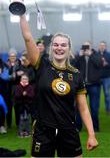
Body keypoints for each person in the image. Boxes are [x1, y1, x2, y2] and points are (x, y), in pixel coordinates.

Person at [19, 14, 98, 157]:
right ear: (51, 48)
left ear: (69, 48)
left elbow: (83, 108)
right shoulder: (41, 64)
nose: (59, 48)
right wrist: (21, 13)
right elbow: (28, 37)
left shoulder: (76, 74)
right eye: (55, 44)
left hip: (68, 130)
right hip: (43, 129)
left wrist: (91, 135)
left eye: (63, 45)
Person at [75, 42, 103, 132]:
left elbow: (99, 64)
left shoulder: (96, 55)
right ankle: (78, 127)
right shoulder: (80, 57)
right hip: (82, 86)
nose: (85, 47)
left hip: (94, 85)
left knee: (94, 107)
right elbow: (74, 67)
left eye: (87, 46)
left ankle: (95, 127)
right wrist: (79, 56)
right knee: (79, 107)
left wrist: (91, 55)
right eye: (84, 46)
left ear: (91, 47)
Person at [14, 73, 35, 138]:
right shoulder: (18, 87)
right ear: (21, 79)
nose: (24, 80)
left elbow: (32, 95)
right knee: (21, 120)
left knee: (27, 120)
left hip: (28, 106)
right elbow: (16, 95)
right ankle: (21, 132)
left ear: (28, 80)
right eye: (23, 79)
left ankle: (27, 132)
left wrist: (26, 94)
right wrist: (22, 94)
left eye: (25, 79)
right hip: (20, 107)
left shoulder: (30, 87)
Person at [98, 41, 110, 114]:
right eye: (101, 45)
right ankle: (96, 110)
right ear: (99, 46)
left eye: (103, 45)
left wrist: (107, 64)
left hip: (106, 78)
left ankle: (108, 109)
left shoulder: (108, 55)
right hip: (97, 78)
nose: (102, 47)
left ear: (105, 47)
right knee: (97, 95)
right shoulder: (96, 54)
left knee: (106, 94)